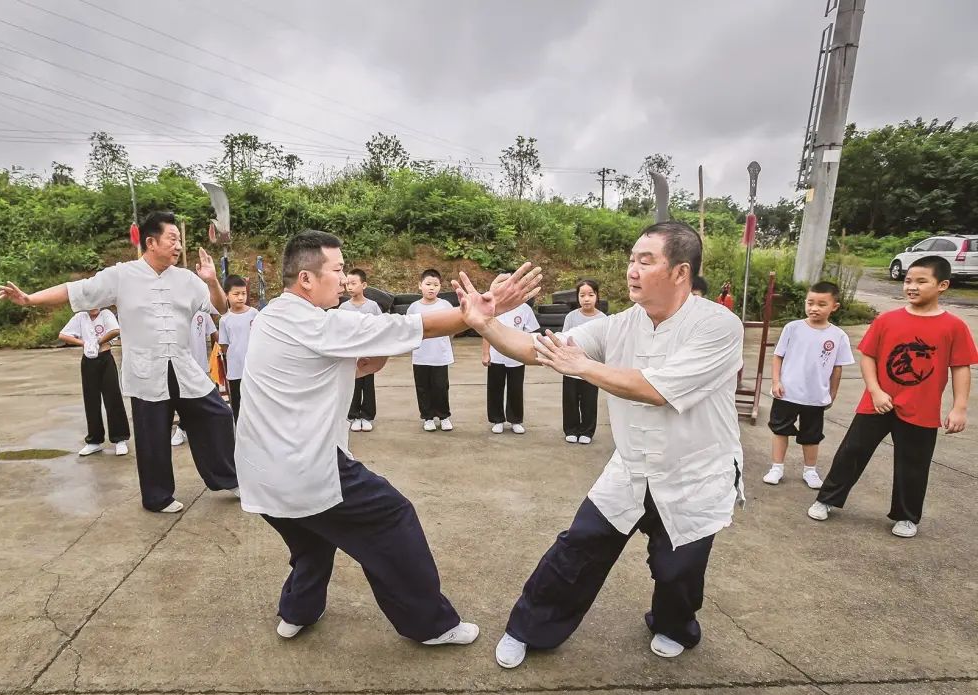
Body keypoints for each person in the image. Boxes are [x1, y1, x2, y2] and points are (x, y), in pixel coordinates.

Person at [455, 221, 745, 668]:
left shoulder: (718, 326)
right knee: (577, 549)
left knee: (678, 571)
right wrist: (485, 323)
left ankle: (673, 625)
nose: (631, 269)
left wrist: (583, 367)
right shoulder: (619, 325)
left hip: (694, 473)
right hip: (630, 467)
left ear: (681, 272)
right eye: (631, 259)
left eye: (645, 261)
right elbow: (540, 349)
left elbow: (655, 389)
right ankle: (528, 628)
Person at [234, 229, 542, 646]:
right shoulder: (316, 323)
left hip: (259, 469)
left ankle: (297, 611)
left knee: (311, 537)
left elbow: (341, 366)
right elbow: (406, 327)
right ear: (306, 279)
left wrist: (368, 358)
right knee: (392, 518)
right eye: (338, 270)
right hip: (302, 465)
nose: (344, 279)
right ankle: (430, 624)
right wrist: (481, 313)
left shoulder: (271, 316)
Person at [0, 211, 238, 513]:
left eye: (180, 240)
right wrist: (30, 299)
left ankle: (227, 477)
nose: (178, 246)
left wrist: (213, 281)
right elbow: (77, 290)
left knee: (216, 415)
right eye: (172, 239)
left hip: (183, 366)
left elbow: (220, 307)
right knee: (152, 435)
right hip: (146, 370)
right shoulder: (122, 275)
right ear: (151, 242)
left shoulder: (188, 279)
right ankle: (157, 497)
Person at [808, 256, 978, 538]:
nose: (912, 287)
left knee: (914, 463)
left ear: (943, 285)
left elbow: (960, 368)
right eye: (909, 280)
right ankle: (826, 499)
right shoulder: (887, 320)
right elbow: (868, 358)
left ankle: (907, 516)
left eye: (921, 281)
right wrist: (875, 390)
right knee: (851, 452)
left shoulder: (954, 327)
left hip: (922, 408)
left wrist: (959, 407)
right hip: (876, 403)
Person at [762, 282, 854, 489]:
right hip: (786, 393)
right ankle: (777, 467)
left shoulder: (838, 336)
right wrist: (776, 382)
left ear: (834, 307)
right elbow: (778, 356)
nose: (814, 308)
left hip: (815, 396)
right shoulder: (792, 328)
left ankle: (810, 470)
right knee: (780, 430)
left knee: (812, 435)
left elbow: (838, 368)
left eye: (822, 304)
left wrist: (832, 393)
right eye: (810, 303)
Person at [58, 308, 131, 457]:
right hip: (88, 361)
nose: (94, 306)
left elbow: (115, 330)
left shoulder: (106, 314)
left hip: (105, 359)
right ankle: (94, 441)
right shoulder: (80, 317)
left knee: (113, 398)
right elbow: (63, 335)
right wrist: (84, 343)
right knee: (91, 400)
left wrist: (98, 341)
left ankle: (120, 439)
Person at [407, 269, 455, 432]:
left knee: (441, 387)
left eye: (435, 285)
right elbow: (409, 330)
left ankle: (444, 416)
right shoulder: (414, 308)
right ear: (420, 285)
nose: (431, 288)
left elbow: (452, 328)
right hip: (420, 356)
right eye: (428, 284)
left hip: (440, 356)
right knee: (423, 387)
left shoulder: (445, 305)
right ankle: (427, 417)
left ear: (440, 287)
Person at [482, 300, 539, 435]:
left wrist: (529, 355)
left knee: (516, 388)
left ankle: (516, 420)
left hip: (517, 357)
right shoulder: (493, 308)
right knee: (495, 388)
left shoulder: (524, 309)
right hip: (496, 356)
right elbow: (486, 332)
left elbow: (530, 335)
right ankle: (497, 420)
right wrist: (485, 353)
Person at [561, 279, 606, 444]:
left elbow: (604, 343)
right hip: (570, 367)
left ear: (597, 296)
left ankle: (587, 431)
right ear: (577, 298)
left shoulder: (603, 318)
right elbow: (564, 339)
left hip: (591, 366)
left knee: (589, 400)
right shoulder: (571, 317)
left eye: (590, 295)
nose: (586, 299)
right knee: (570, 400)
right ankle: (571, 429)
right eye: (582, 295)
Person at [339, 268, 383, 432]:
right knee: (353, 384)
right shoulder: (343, 307)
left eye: (353, 283)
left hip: (369, 353)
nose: (349, 287)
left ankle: (367, 416)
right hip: (351, 354)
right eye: (347, 284)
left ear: (364, 285)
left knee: (368, 384)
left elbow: (380, 326)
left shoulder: (373, 306)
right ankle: (353, 415)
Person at [172, 307, 220, 445]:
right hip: (180, 364)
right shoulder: (175, 309)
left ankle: (187, 427)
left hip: (201, 366)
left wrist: (221, 351)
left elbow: (214, 334)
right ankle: (182, 428)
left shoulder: (203, 312)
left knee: (202, 399)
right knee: (184, 399)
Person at [218, 275, 258, 422]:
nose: (240, 297)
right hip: (235, 371)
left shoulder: (254, 314)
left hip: (253, 368)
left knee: (256, 402)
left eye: (243, 293)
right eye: (236, 294)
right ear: (226, 295)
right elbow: (224, 345)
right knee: (238, 404)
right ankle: (240, 434)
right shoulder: (225, 320)